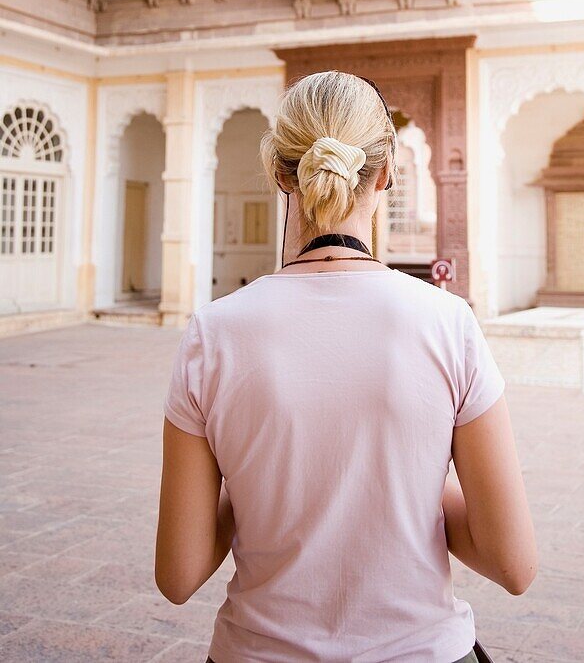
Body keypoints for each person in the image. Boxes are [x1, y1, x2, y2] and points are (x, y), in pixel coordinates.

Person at [155, 71, 537, 663]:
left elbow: (178, 575)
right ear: (384, 174)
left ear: (281, 174)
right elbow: (512, 563)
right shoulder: (447, 324)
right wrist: (414, 488)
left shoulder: (215, 333)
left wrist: (258, 493)